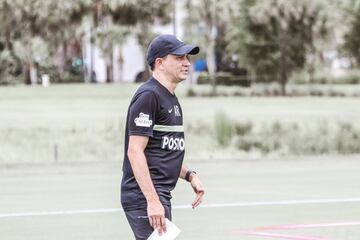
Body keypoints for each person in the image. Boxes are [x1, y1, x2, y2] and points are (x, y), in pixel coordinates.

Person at [121, 34, 205, 240]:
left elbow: (162, 151)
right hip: (144, 195)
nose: (186, 63)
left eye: (187, 58)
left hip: (159, 194)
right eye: (179, 58)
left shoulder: (170, 98)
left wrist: (189, 175)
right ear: (159, 63)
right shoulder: (149, 96)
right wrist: (152, 200)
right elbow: (135, 151)